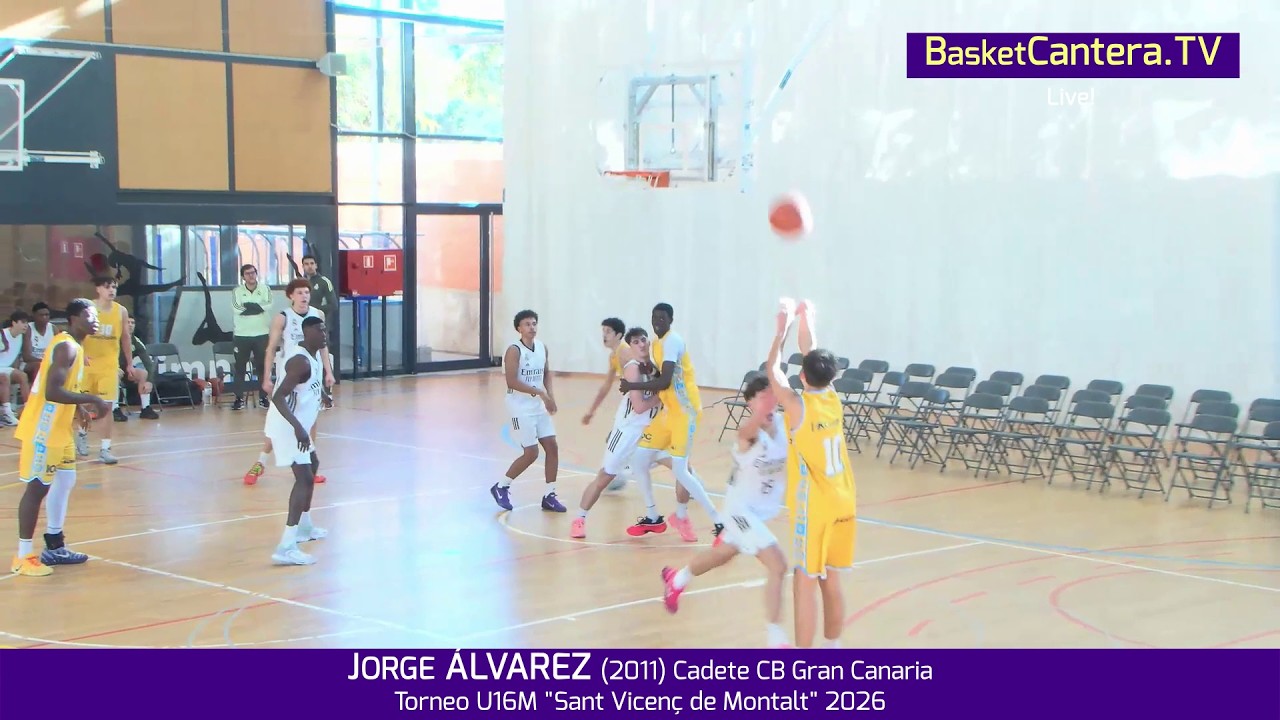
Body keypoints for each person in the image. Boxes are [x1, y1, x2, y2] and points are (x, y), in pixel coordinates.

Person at [661, 372, 791, 648]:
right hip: (740, 512)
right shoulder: (748, 437)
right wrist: (762, 412)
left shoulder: (784, 425)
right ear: (750, 405)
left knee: (723, 554)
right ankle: (776, 640)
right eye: (761, 398)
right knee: (778, 565)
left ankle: (678, 578)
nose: (769, 403)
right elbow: (745, 433)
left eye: (772, 397)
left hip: (754, 511)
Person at [765, 299, 856, 649]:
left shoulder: (797, 405)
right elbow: (813, 353)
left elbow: (773, 369)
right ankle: (833, 650)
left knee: (803, 581)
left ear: (803, 376)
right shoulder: (831, 397)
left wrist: (782, 329)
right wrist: (808, 318)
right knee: (831, 581)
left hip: (814, 504)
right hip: (844, 498)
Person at [10, 299, 112, 577]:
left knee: (66, 479)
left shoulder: (76, 347)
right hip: (44, 428)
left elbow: (65, 386)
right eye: (89, 315)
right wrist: (92, 399)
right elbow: (52, 392)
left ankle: (54, 546)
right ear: (73, 318)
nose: (95, 319)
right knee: (36, 489)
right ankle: (22, 556)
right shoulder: (66, 346)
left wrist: (78, 407)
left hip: (60, 428)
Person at [619, 303, 723, 542]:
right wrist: (648, 369)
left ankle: (719, 522)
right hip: (668, 413)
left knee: (680, 469)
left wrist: (633, 385)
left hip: (685, 412)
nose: (658, 321)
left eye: (662, 318)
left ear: (671, 319)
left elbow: (665, 381)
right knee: (639, 459)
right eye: (654, 317)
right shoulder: (656, 344)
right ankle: (654, 517)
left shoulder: (673, 341)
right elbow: (661, 376)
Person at [570, 327, 662, 538]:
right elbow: (639, 407)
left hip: (649, 431)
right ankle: (580, 518)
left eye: (644, 340)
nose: (641, 344)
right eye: (636, 342)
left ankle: (665, 516)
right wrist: (664, 394)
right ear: (630, 347)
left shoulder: (655, 366)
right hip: (626, 432)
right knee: (605, 476)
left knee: (677, 461)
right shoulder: (632, 369)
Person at [243, 279, 334, 486]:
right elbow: (271, 348)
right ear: (291, 296)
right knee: (282, 422)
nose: (304, 296)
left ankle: (310, 464)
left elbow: (324, 347)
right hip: (290, 377)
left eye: (307, 293)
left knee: (311, 420)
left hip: (312, 374)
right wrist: (267, 377)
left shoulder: (317, 315)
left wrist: (328, 372)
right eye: (300, 292)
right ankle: (260, 461)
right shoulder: (282, 318)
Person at [265, 316, 329, 566]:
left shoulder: (313, 357)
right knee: (303, 478)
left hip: (298, 426)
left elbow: (309, 385)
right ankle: (286, 546)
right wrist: (299, 429)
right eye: (319, 330)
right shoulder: (300, 361)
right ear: (306, 332)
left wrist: (322, 394)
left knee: (313, 465)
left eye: (325, 329)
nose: (324, 334)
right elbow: (279, 397)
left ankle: (304, 527)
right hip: (288, 426)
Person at [490, 309, 564, 512]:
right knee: (531, 453)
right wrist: (540, 393)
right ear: (518, 329)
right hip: (519, 406)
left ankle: (550, 494)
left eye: (534, 323)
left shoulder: (541, 347)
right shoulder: (514, 350)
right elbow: (512, 381)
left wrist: (550, 396)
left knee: (552, 447)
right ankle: (501, 486)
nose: (531, 327)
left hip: (537, 405)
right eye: (527, 324)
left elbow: (546, 373)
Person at [76, 277, 139, 465]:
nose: (111, 290)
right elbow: (77, 333)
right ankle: (81, 434)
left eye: (114, 287)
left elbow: (126, 338)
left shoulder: (121, 311)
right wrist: (82, 353)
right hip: (88, 364)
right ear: (98, 289)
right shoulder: (88, 308)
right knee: (85, 405)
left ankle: (105, 448)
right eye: (107, 287)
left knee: (106, 406)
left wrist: (129, 364)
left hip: (109, 365)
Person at [581, 317, 632, 492]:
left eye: (608, 331)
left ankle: (618, 472)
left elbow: (645, 377)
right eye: (603, 331)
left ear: (619, 335)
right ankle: (617, 473)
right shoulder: (614, 356)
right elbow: (606, 386)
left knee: (619, 440)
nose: (604, 335)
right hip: (630, 403)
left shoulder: (626, 352)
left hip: (639, 404)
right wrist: (591, 411)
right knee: (615, 439)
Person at [231, 263, 274, 410]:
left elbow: (268, 305)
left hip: (261, 334)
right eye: (248, 273)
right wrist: (257, 308)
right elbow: (237, 309)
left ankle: (263, 397)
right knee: (240, 368)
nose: (251, 275)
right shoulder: (237, 291)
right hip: (242, 335)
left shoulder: (265, 289)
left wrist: (250, 307)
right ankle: (238, 398)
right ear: (243, 276)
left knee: (262, 367)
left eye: (253, 272)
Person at [115, 317, 159, 421]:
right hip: (111, 369)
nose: (130, 325)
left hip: (127, 370)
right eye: (127, 322)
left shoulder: (136, 341)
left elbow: (148, 363)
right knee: (115, 374)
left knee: (143, 373)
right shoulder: (115, 338)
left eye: (132, 323)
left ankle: (145, 408)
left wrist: (150, 381)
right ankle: (114, 409)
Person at [1, 311, 33, 426]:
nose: (26, 325)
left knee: (22, 376)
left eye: (27, 323)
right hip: (1, 371)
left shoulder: (21, 337)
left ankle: (28, 409)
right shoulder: (2, 335)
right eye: (23, 322)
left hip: (5, 368)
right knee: (4, 378)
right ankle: (7, 413)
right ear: (14, 323)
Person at [23, 302, 54, 382]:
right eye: (41, 315)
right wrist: (45, 361)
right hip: (29, 364)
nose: (44, 317)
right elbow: (26, 357)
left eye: (47, 315)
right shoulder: (28, 329)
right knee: (39, 366)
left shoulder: (53, 329)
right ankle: (37, 393)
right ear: (34, 315)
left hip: (48, 362)